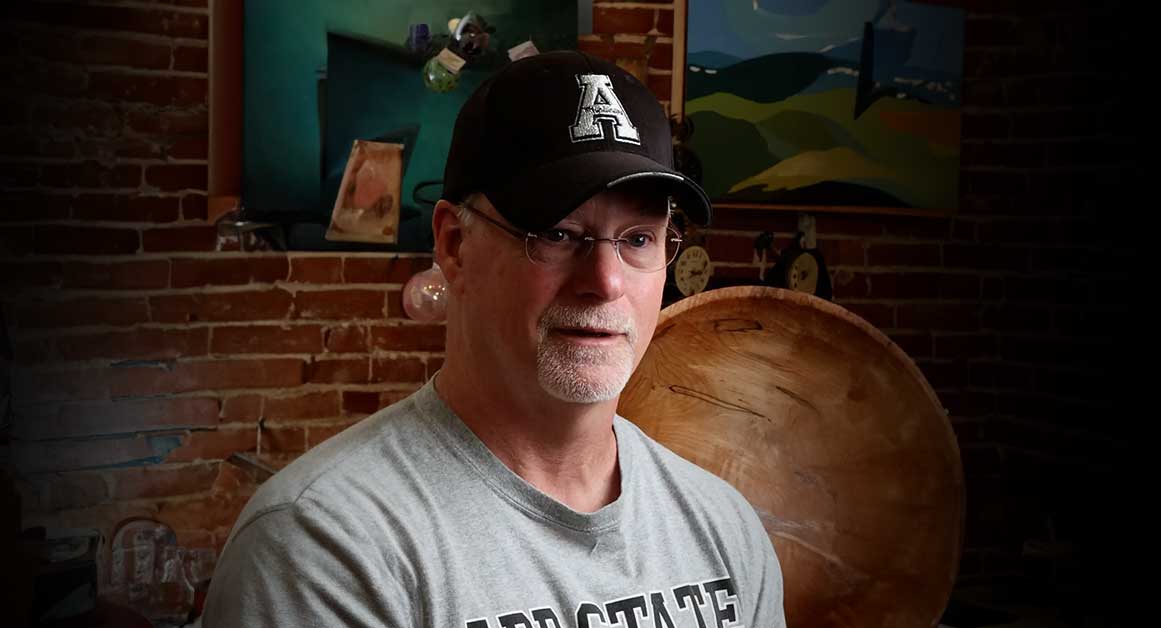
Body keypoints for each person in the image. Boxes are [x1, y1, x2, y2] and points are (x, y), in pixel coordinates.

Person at [202, 51, 785, 628]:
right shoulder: (322, 550)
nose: (605, 283)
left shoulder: (723, 529)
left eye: (637, 240)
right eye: (558, 233)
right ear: (454, 245)